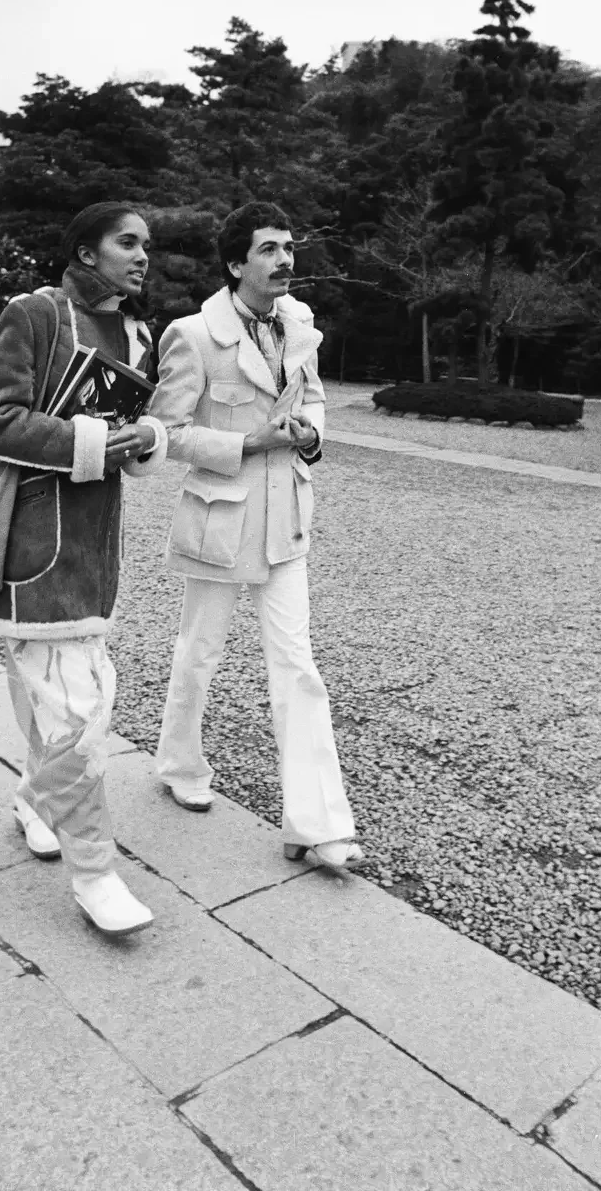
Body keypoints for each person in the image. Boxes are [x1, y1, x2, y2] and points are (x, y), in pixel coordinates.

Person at [0, 203, 167, 933]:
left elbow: (134, 430)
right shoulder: (37, 314)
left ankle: (33, 798)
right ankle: (96, 873)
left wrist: (145, 439)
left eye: (146, 244)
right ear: (86, 251)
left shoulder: (136, 331)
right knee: (79, 711)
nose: (142, 255)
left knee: (56, 698)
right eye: (127, 241)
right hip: (33, 544)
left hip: (97, 548)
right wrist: (88, 441)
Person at [149, 201, 362, 873]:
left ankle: (318, 824)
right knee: (199, 652)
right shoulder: (192, 334)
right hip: (221, 522)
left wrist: (311, 434)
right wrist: (247, 441)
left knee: (298, 668)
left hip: (288, 523)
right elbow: (166, 433)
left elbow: (316, 397)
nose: (285, 261)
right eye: (269, 249)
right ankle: (180, 764)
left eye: (289, 247)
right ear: (236, 262)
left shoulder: (298, 325)